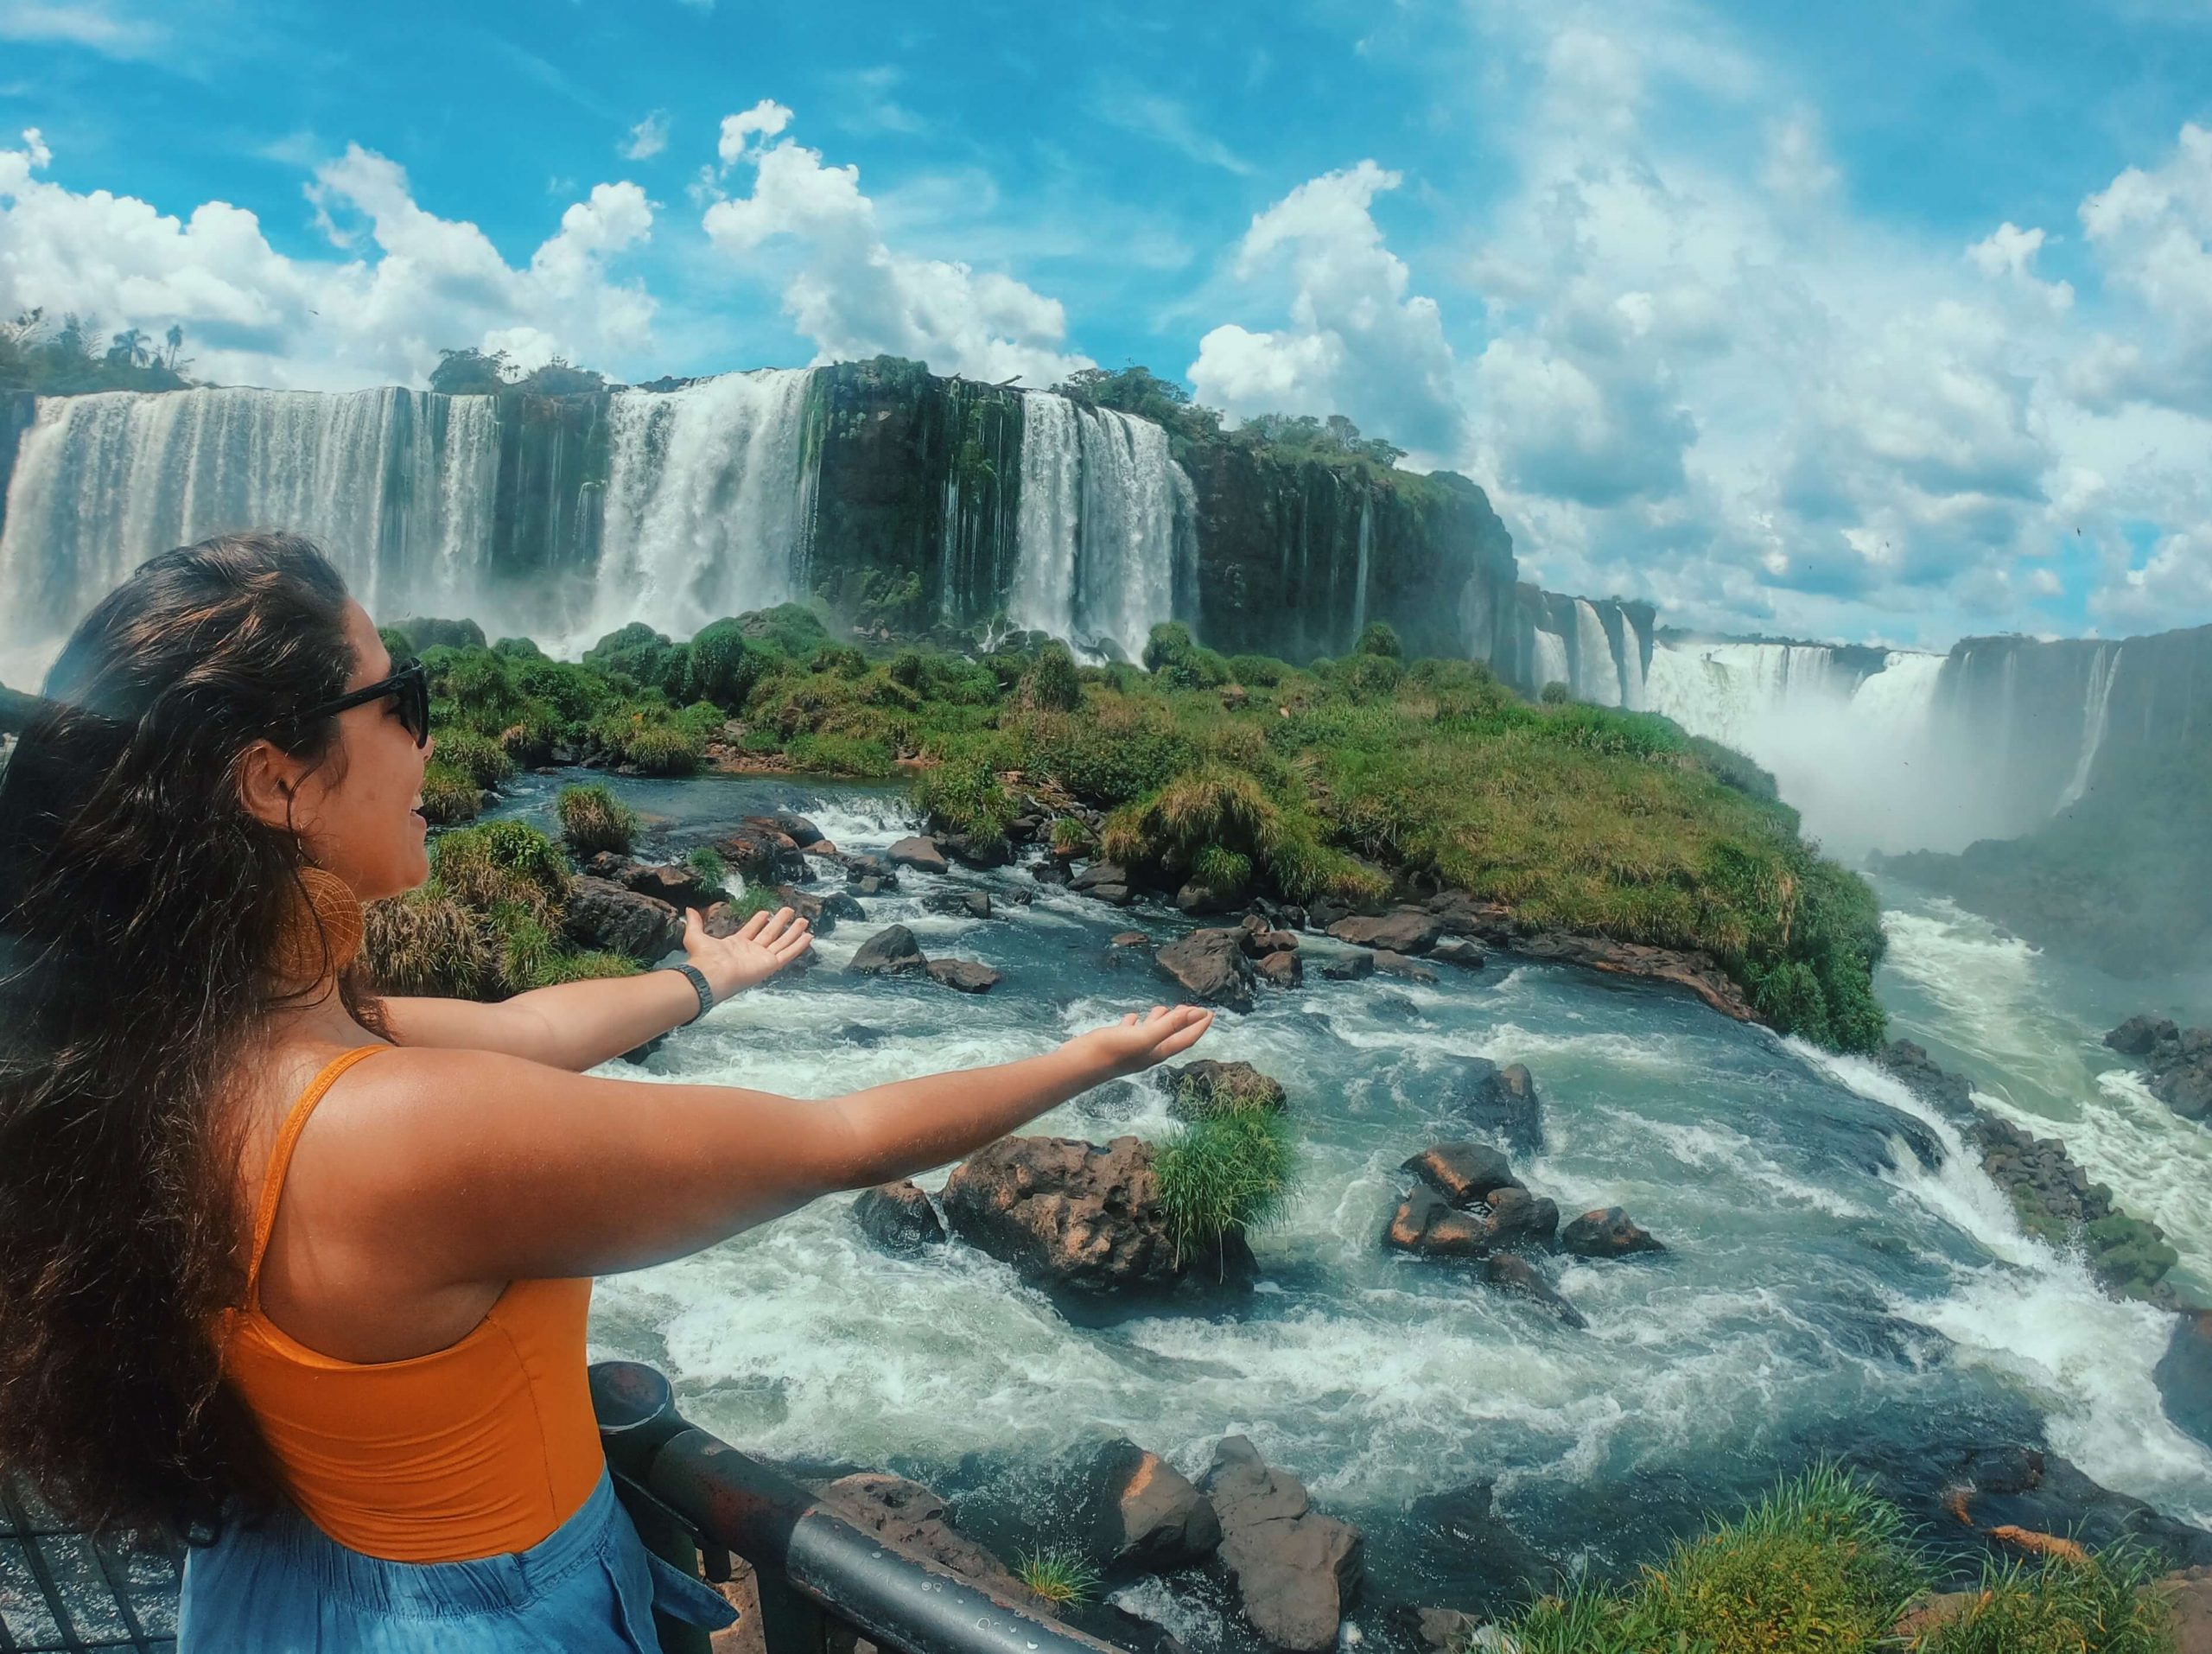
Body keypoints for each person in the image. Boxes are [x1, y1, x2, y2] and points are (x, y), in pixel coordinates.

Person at [0, 531, 1212, 1652]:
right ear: (275, 780)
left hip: (281, 1583)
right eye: (400, 699)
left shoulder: (183, 1048)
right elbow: (838, 1137)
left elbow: (527, 1027)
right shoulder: (394, 1129)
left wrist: (699, 976)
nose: (427, 743)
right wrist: (1086, 1057)